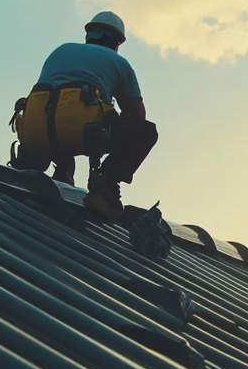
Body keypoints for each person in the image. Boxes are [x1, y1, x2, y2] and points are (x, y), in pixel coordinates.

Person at [9, 11, 157, 220]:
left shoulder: (61, 51)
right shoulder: (118, 61)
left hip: (35, 133)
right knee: (144, 131)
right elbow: (136, 115)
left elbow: (57, 104)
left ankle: (28, 170)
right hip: (82, 132)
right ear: (117, 42)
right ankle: (104, 187)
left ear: (89, 36)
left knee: (59, 115)